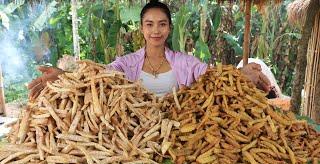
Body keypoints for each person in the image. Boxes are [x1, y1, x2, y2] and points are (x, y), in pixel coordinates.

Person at [28, 0, 270, 99]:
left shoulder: (185, 62)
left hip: (177, 134)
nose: (156, 31)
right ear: (142, 28)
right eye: (150, 24)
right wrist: (64, 76)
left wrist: (241, 74)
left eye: (162, 24)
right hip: (138, 134)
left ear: (169, 28)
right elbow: (98, 75)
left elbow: (214, 77)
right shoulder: (126, 63)